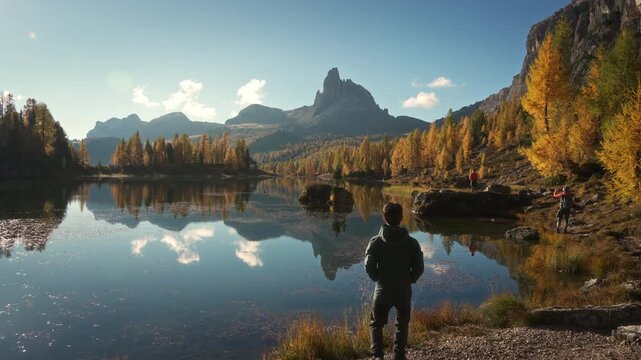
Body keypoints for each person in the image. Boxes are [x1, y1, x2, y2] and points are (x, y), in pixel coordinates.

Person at [365, 203, 424, 360]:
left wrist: (377, 278)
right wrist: (410, 279)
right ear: (401, 218)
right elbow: (419, 267)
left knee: (376, 324)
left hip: (382, 291)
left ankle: (377, 356)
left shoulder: (376, 242)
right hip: (403, 292)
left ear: (384, 218)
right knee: (402, 325)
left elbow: (369, 266)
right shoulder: (412, 243)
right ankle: (399, 356)